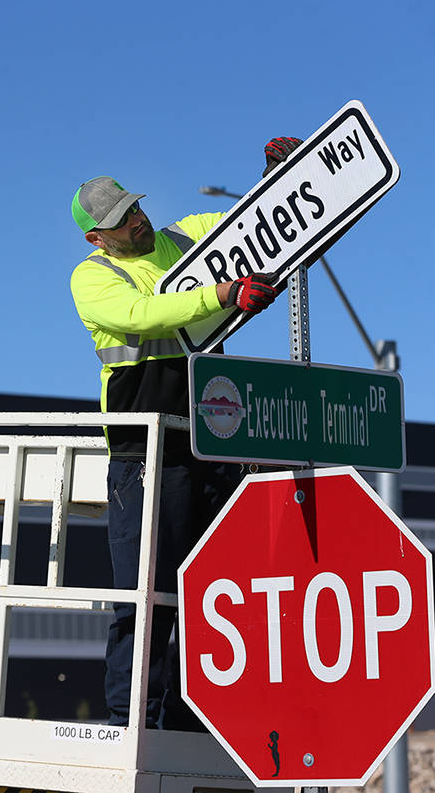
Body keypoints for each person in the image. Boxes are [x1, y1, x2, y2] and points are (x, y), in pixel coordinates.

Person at [67, 138, 300, 729]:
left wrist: (277, 175)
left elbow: (254, 224)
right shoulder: (92, 277)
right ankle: (132, 724)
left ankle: (194, 723)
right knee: (144, 595)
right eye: (120, 222)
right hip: (144, 452)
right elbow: (142, 317)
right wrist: (221, 294)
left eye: (135, 208)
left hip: (208, 441)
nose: (136, 222)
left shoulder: (184, 233)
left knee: (212, 590)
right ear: (98, 237)